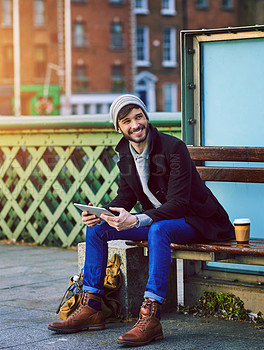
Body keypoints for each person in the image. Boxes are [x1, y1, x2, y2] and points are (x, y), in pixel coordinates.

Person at [48, 94, 235, 347]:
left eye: (139, 117)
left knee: (157, 229)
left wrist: (136, 221)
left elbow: (178, 204)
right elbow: (124, 198)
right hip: (161, 222)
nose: (135, 125)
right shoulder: (125, 154)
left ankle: (151, 315)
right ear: (119, 128)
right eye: (126, 121)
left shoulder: (173, 148)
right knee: (98, 230)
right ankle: (92, 306)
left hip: (197, 221)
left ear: (146, 118)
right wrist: (101, 212)